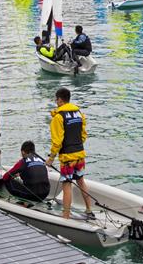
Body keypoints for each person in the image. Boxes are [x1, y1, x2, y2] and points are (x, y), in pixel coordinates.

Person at [46, 88, 93, 220]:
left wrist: (51, 158)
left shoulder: (58, 117)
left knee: (67, 184)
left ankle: (65, 216)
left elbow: (57, 141)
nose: (56, 102)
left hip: (67, 157)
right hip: (80, 154)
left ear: (60, 100)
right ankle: (89, 210)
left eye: (56, 99)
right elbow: (83, 135)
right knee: (81, 181)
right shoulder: (79, 114)